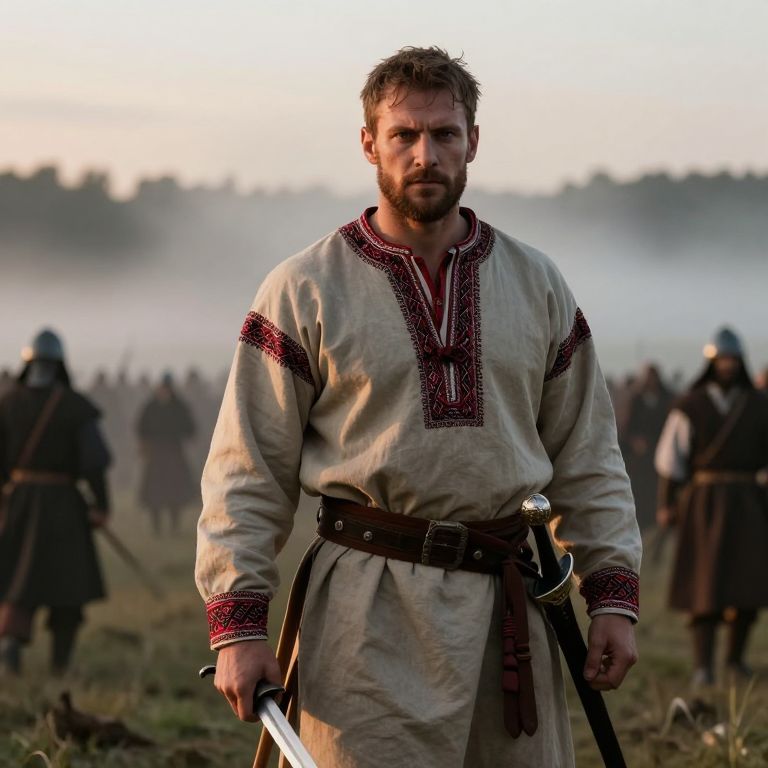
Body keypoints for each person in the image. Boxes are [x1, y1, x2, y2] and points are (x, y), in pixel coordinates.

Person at [196, 47, 641, 767]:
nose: (425, 154)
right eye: (403, 134)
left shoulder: (537, 284)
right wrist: (239, 625)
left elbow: (588, 456)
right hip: (365, 613)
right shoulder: (304, 288)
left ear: (473, 141)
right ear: (369, 143)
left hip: (509, 612)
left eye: (444, 134)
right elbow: (247, 469)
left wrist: (612, 596)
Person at [655, 327, 768, 686]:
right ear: (711, 362)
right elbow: (671, 460)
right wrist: (666, 503)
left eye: (733, 360)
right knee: (705, 587)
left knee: (747, 584)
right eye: (722, 360)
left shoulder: (758, 404)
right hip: (704, 504)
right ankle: (703, 667)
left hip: (749, 503)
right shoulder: (691, 405)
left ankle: (735, 661)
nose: (728, 366)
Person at [0, 329, 111, 675]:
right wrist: (100, 505)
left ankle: (11, 648)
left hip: (18, 504)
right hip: (64, 506)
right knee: (66, 585)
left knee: (19, 582)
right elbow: (93, 462)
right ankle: (58, 665)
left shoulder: (7, 403)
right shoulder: (74, 406)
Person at [136, 373, 196, 535]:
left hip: (174, 453)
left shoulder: (179, 407)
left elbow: (190, 428)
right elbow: (141, 428)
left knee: (174, 494)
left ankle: (174, 527)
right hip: (155, 455)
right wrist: (144, 444)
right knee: (154, 495)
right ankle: (156, 528)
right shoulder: (151, 406)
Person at [620, 364, 672, 530]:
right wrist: (634, 441)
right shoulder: (635, 400)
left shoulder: (666, 400)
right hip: (639, 459)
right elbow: (626, 429)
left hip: (659, 454)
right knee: (640, 493)